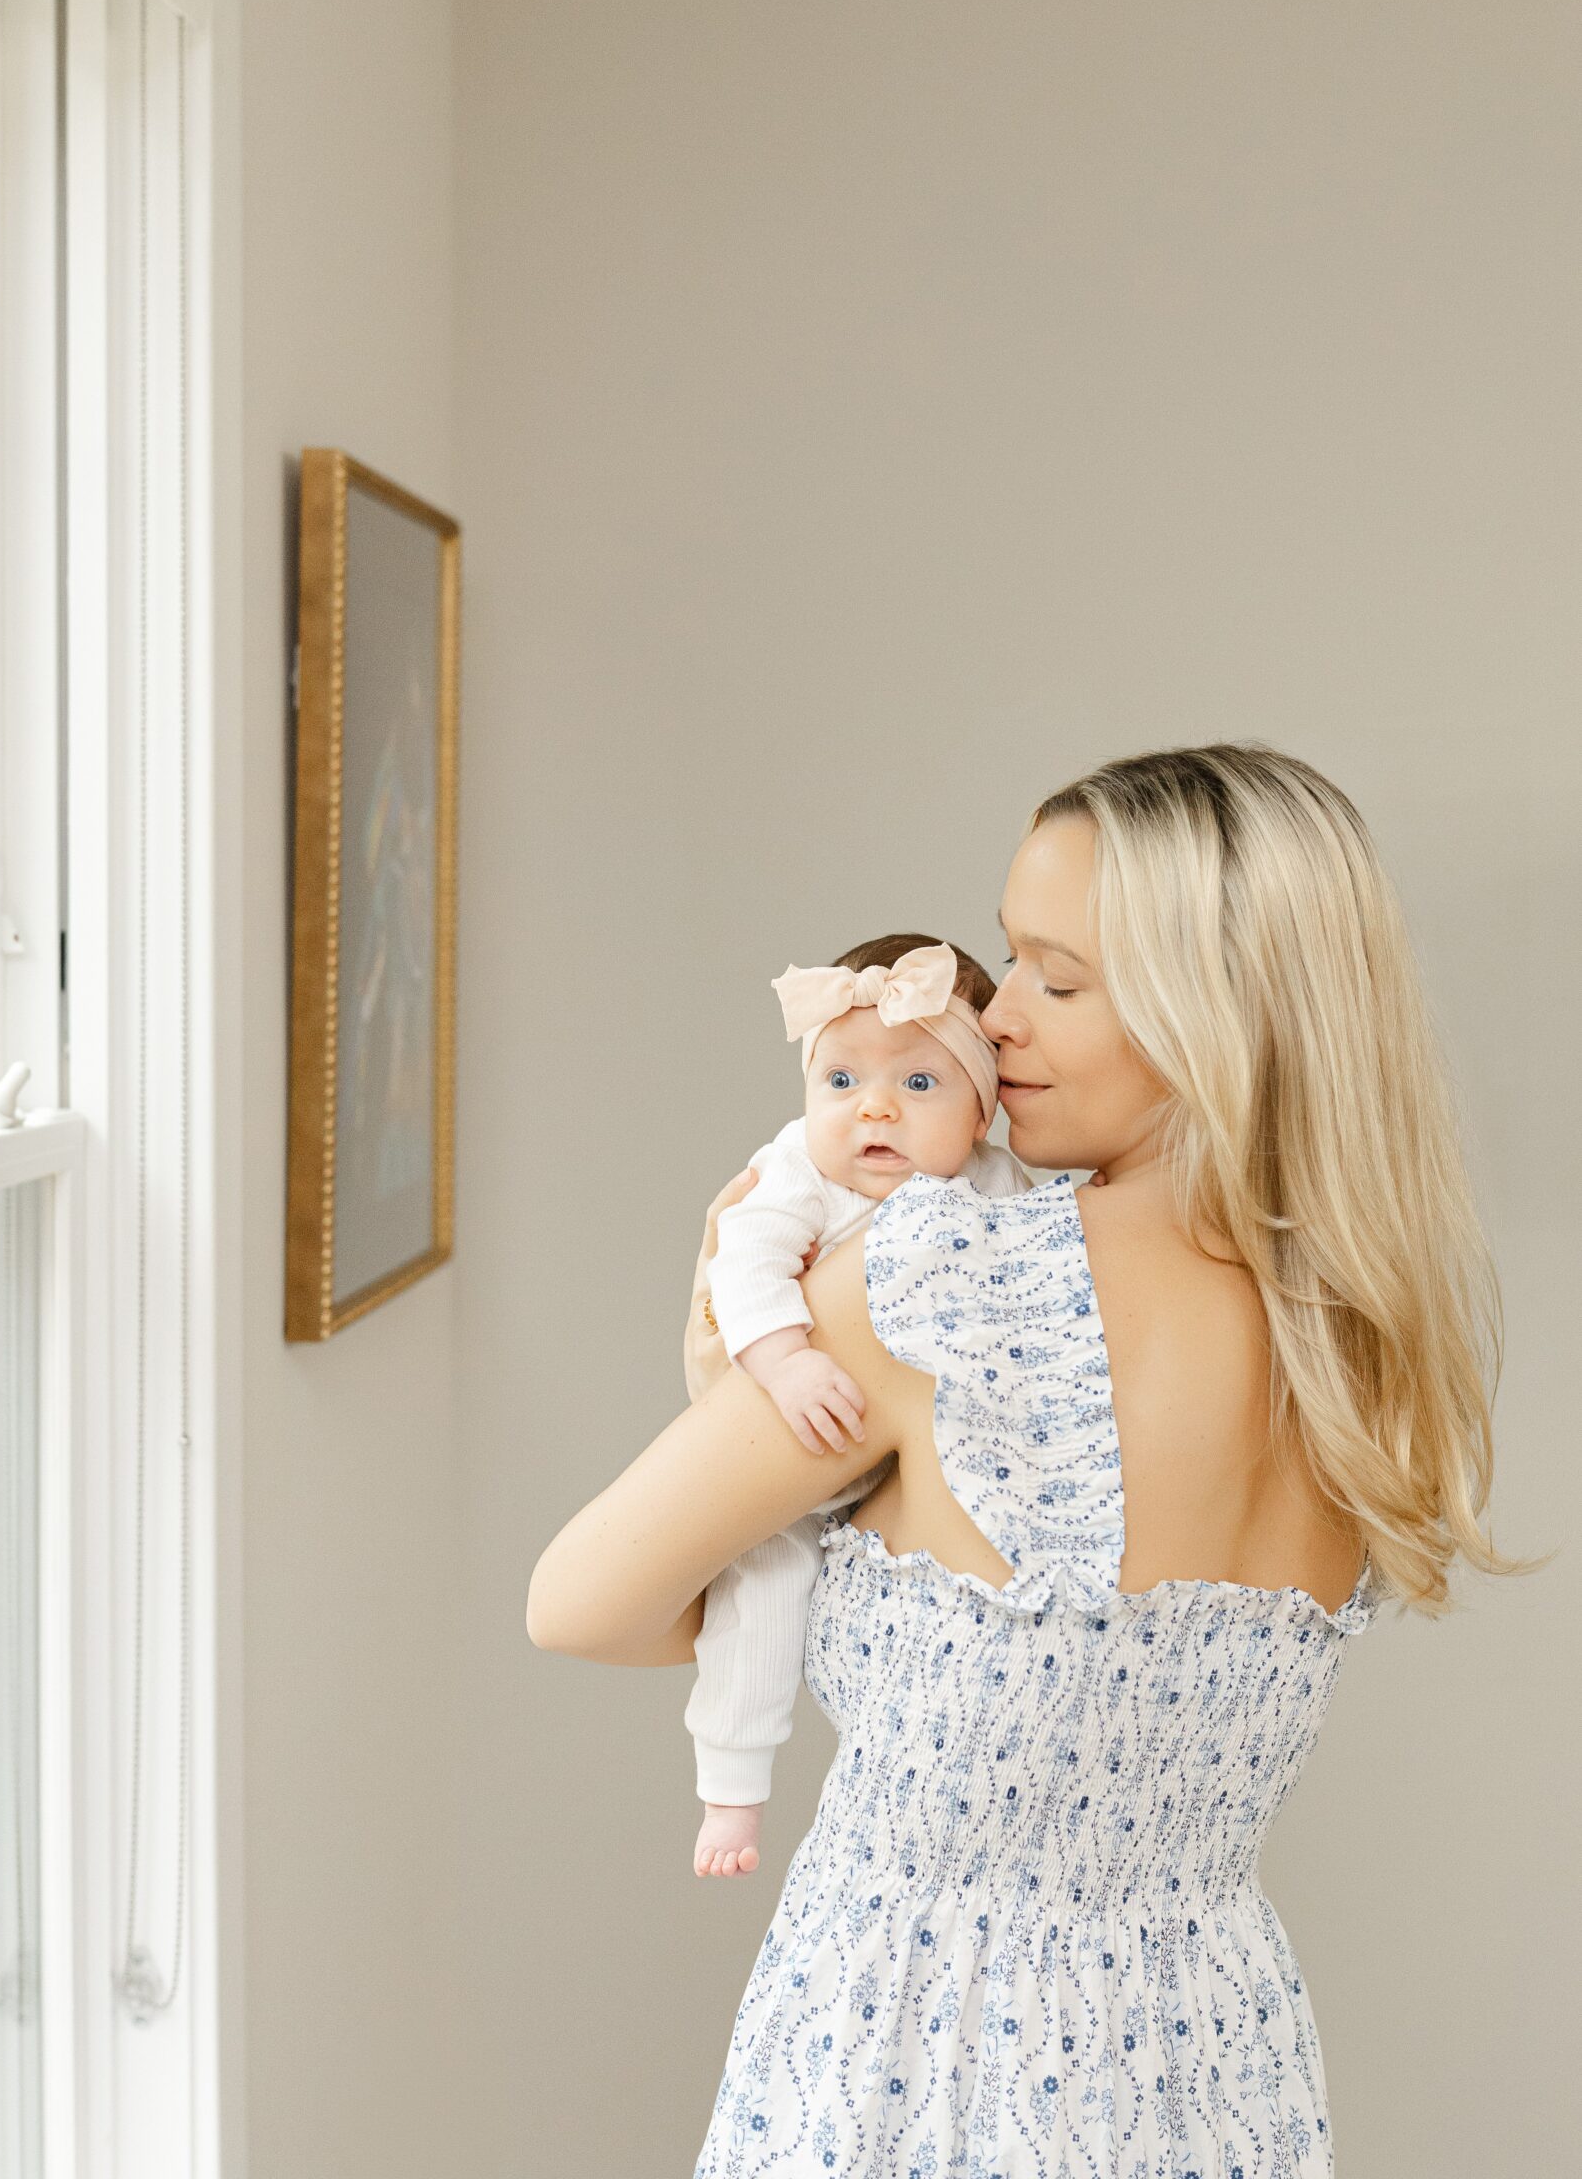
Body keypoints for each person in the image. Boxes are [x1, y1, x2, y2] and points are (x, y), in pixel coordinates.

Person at [527, 743, 1530, 2177]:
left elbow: (579, 1602)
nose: (991, 1019)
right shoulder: (1358, 1328)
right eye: (1001, 963)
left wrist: (723, 1370)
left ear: (1220, 1011)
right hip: (1210, 2061)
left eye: (1057, 981)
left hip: (919, 2056)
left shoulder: (938, 1275)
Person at [686, 933, 1028, 1883]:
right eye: (840, 1080)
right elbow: (744, 1267)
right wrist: (788, 1364)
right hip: (795, 1437)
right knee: (760, 1587)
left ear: (980, 1112)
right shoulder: (798, 1172)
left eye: (919, 1085)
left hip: (906, 1470)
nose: (871, 1107)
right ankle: (732, 1787)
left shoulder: (996, 1187)